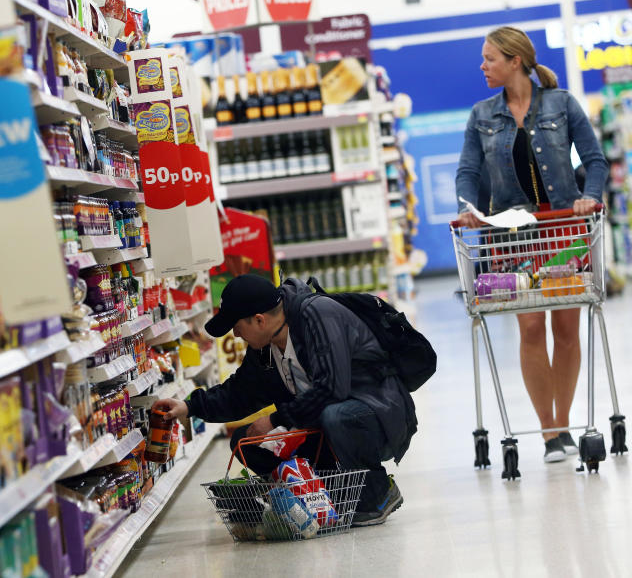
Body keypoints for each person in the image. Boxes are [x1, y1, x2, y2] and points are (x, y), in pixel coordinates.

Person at [454, 26, 608, 463]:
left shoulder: (561, 104)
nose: (483, 67)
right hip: (512, 235)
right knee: (531, 328)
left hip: (564, 230)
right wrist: (468, 205)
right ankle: (550, 432)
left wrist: (589, 197)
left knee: (566, 329)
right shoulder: (481, 115)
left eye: (489, 59)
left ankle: (565, 416)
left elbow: (594, 160)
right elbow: (468, 171)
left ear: (514, 61)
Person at [153, 274, 417, 527]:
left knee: (336, 415)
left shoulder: (317, 316)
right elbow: (240, 393)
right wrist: (189, 407)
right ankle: (319, 497)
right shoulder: (266, 348)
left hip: (378, 413)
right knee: (246, 441)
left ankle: (378, 493)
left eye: (237, 327)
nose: (235, 335)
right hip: (325, 426)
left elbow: (332, 388)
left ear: (259, 320)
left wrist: (276, 419)